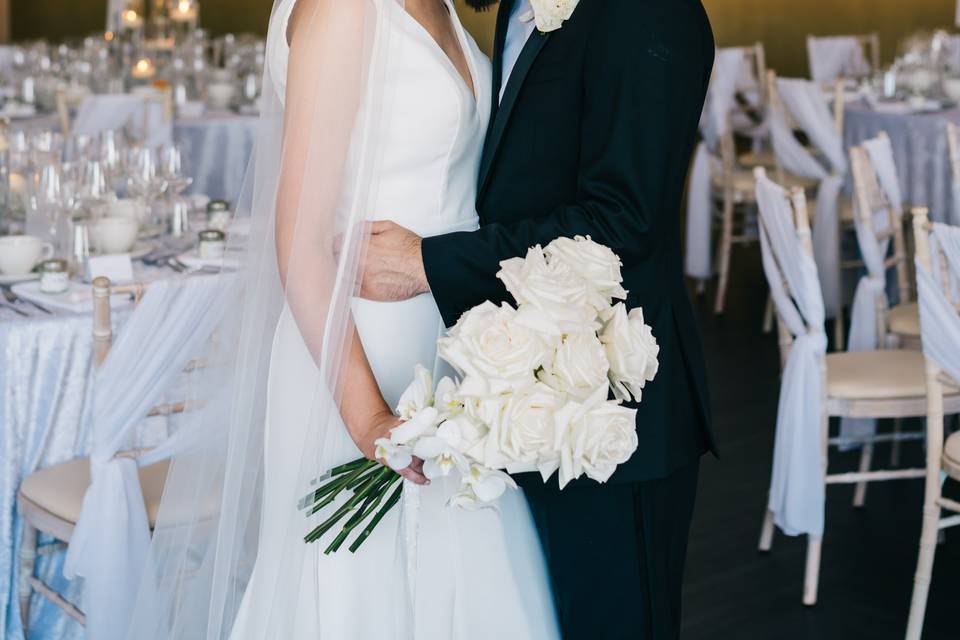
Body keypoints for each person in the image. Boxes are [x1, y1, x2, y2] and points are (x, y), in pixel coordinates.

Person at [127, 0, 558, 638]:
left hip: (452, 352)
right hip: (354, 350)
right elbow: (299, 242)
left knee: (461, 578)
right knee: (361, 597)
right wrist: (370, 420)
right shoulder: (341, 9)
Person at [357, 0, 718, 637]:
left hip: (612, 411)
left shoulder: (650, 12)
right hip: (519, 398)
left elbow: (622, 221)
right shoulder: (516, 9)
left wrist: (429, 263)